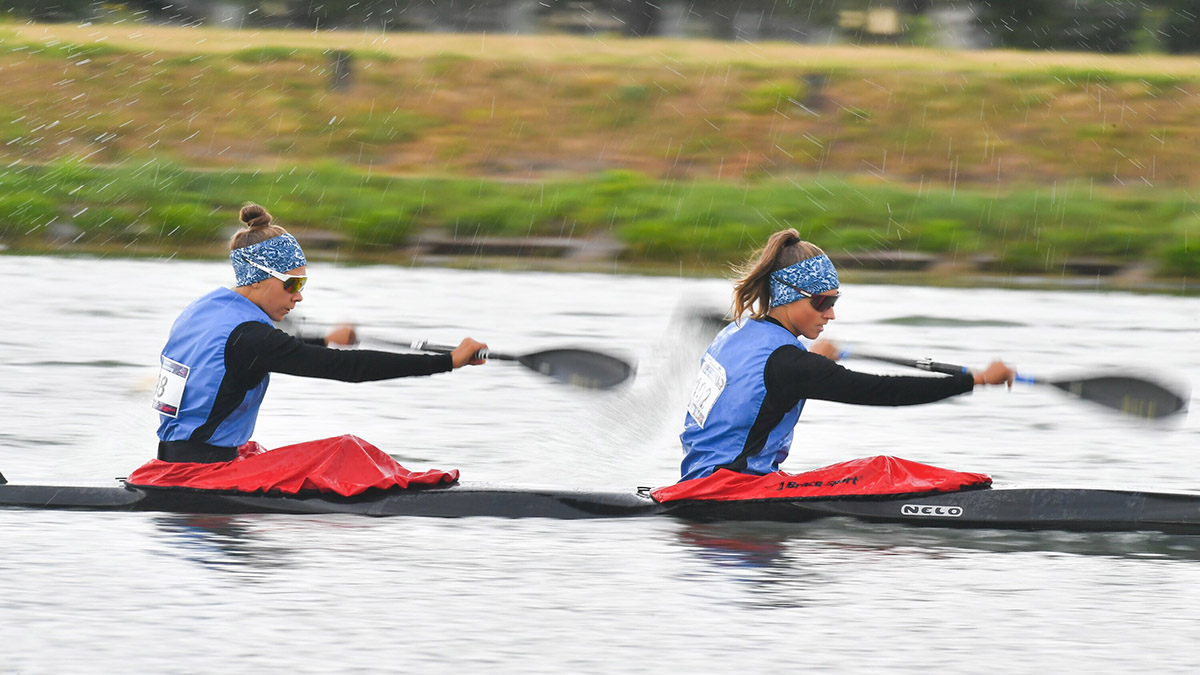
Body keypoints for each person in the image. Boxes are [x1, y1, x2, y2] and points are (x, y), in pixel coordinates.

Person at [151, 203, 486, 465]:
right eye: (292, 284)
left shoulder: (202, 311)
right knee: (348, 454)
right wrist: (448, 361)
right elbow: (348, 369)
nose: (298, 296)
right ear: (258, 279)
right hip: (206, 472)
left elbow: (243, 352)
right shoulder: (253, 338)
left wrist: (325, 340)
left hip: (171, 460)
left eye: (302, 285)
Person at [678, 229, 1015, 482]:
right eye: (823, 303)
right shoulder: (792, 365)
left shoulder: (734, 333)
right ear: (788, 295)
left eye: (834, 302)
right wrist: (976, 380)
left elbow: (757, 387)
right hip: (731, 489)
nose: (831, 314)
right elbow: (883, 392)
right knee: (883, 471)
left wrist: (815, 362)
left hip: (699, 478)